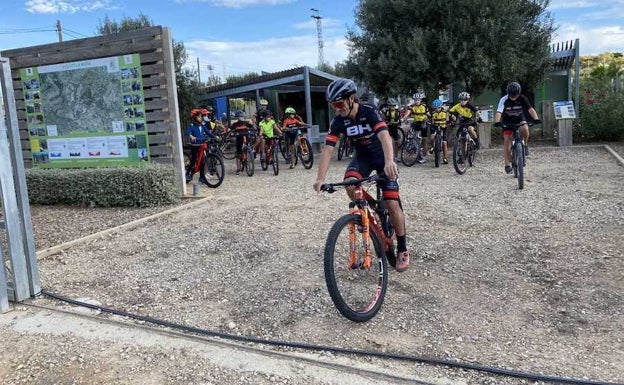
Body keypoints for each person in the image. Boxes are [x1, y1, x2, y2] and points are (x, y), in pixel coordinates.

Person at [313, 78, 410, 272]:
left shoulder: (369, 111)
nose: (337, 109)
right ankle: (367, 212)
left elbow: (384, 136)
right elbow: (328, 149)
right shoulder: (339, 121)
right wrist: (320, 178)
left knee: (391, 203)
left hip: (383, 156)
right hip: (363, 157)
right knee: (350, 184)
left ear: (351, 99)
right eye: (333, 106)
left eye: (339, 104)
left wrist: (390, 161)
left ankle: (403, 248)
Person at [494, 82, 540, 174]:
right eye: (511, 95)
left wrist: (536, 119)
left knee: (525, 128)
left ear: (518, 93)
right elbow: (499, 112)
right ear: (508, 93)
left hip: (519, 118)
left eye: (515, 95)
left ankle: (525, 145)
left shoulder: (522, 98)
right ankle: (507, 164)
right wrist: (497, 122)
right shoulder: (504, 99)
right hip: (507, 121)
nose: (513, 97)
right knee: (507, 140)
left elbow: (530, 109)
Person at [185, 108, 214, 184]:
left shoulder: (203, 126)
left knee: (202, 161)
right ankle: (187, 173)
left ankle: (202, 177)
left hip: (202, 144)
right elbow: (187, 132)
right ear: (195, 118)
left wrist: (215, 137)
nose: (201, 118)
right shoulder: (192, 125)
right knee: (194, 160)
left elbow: (208, 133)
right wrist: (191, 136)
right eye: (199, 116)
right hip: (195, 145)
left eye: (201, 116)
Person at [403, 93, 430, 163]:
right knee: (409, 133)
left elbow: (429, 114)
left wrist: (429, 117)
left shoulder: (424, 106)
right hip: (416, 123)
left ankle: (424, 156)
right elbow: (407, 113)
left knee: (424, 140)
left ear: (420, 100)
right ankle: (412, 146)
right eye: (415, 100)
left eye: (418, 100)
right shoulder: (412, 106)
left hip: (423, 123)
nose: (416, 101)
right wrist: (403, 118)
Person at [229, 111, 254, 175]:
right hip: (239, 139)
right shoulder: (235, 124)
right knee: (238, 153)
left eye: (242, 117)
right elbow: (230, 129)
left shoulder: (246, 123)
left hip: (246, 137)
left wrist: (253, 128)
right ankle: (238, 168)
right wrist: (230, 132)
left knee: (249, 147)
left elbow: (252, 127)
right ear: (237, 117)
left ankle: (249, 154)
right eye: (240, 117)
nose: (241, 118)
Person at [428, 98, 450, 164]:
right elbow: (431, 120)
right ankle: (432, 147)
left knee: (444, 142)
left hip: (443, 128)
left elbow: (449, 119)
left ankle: (445, 158)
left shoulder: (445, 112)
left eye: (438, 108)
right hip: (435, 127)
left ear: (441, 107)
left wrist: (450, 122)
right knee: (432, 137)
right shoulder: (433, 113)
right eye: (435, 108)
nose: (437, 109)